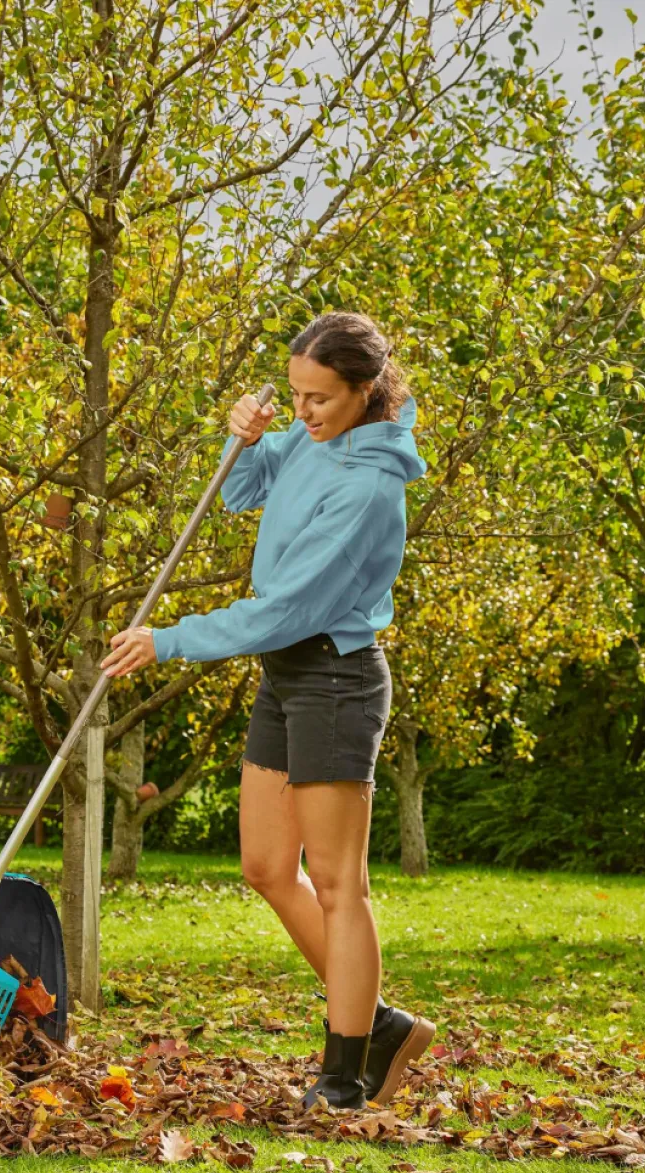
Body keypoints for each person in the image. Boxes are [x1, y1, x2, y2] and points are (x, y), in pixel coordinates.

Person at [99, 311, 435, 1111]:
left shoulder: (368, 487)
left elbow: (286, 611)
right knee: (263, 866)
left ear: (365, 390)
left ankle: (345, 1074)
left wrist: (171, 639)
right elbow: (240, 493)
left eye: (319, 398)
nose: (304, 411)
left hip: (336, 678)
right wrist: (241, 438)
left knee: (336, 883)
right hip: (288, 676)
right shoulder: (309, 441)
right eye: (292, 395)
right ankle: (381, 1023)